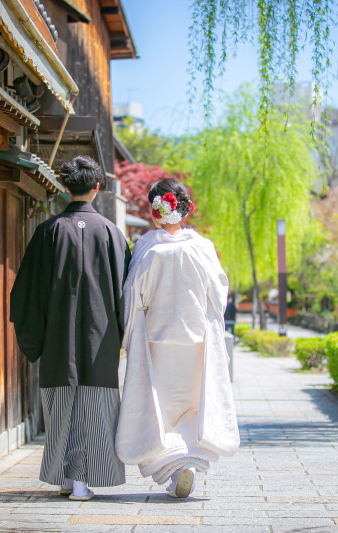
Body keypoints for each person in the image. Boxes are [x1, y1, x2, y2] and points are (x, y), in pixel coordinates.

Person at [9, 155, 131, 501]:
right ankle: (80, 480)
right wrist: (124, 336)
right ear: (97, 187)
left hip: (57, 341)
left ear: (64, 187)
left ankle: (69, 476)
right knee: (94, 409)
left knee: (62, 408)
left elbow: (25, 295)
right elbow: (128, 293)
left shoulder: (47, 231)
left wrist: (36, 339)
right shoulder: (111, 233)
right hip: (101, 341)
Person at [115, 178, 240, 499]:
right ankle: (187, 464)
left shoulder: (146, 247)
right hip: (195, 341)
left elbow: (132, 295)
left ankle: (172, 471)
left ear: (156, 211)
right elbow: (219, 294)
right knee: (193, 405)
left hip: (157, 340)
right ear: (182, 209)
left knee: (158, 409)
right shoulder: (202, 247)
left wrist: (127, 337)